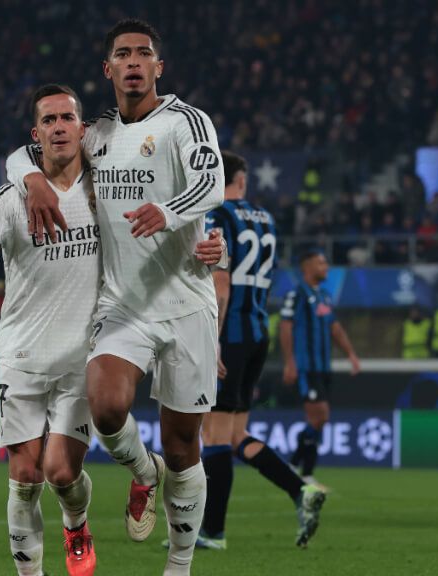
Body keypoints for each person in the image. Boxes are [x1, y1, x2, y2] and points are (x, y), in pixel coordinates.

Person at [0, 83, 224, 576]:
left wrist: (214, 248)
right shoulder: (13, 196)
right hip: (20, 354)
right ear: (37, 133)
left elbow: (174, 192)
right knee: (24, 477)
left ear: (83, 128)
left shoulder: (103, 182)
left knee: (60, 471)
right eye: (48, 121)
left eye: (66, 118)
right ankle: (52, 553)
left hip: (83, 353)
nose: (58, 127)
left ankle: (106, 501)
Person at [7, 19, 226, 575]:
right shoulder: (96, 133)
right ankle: (142, 472)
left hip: (186, 305)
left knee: (184, 450)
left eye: (143, 54)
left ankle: (178, 565)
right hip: (122, 306)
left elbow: (212, 182)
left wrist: (174, 215)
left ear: (158, 67)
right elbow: (26, 152)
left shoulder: (185, 122)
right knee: (105, 408)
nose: (133, 62)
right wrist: (30, 180)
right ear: (108, 70)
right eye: (123, 54)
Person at [188, 151, 326, 551]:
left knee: (212, 434)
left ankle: (213, 532)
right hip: (256, 333)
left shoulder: (216, 216)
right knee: (234, 435)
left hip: (228, 333)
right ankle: (301, 490)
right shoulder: (265, 219)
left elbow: (221, 285)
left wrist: (211, 340)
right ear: (243, 180)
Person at [280, 250, 360, 489]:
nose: (326, 266)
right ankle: (305, 473)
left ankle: (295, 466)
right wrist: (290, 362)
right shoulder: (297, 295)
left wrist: (351, 354)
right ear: (307, 267)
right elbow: (286, 327)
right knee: (320, 416)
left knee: (319, 419)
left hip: (323, 367)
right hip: (306, 367)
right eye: (321, 262)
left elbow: (334, 328)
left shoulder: (324, 296)